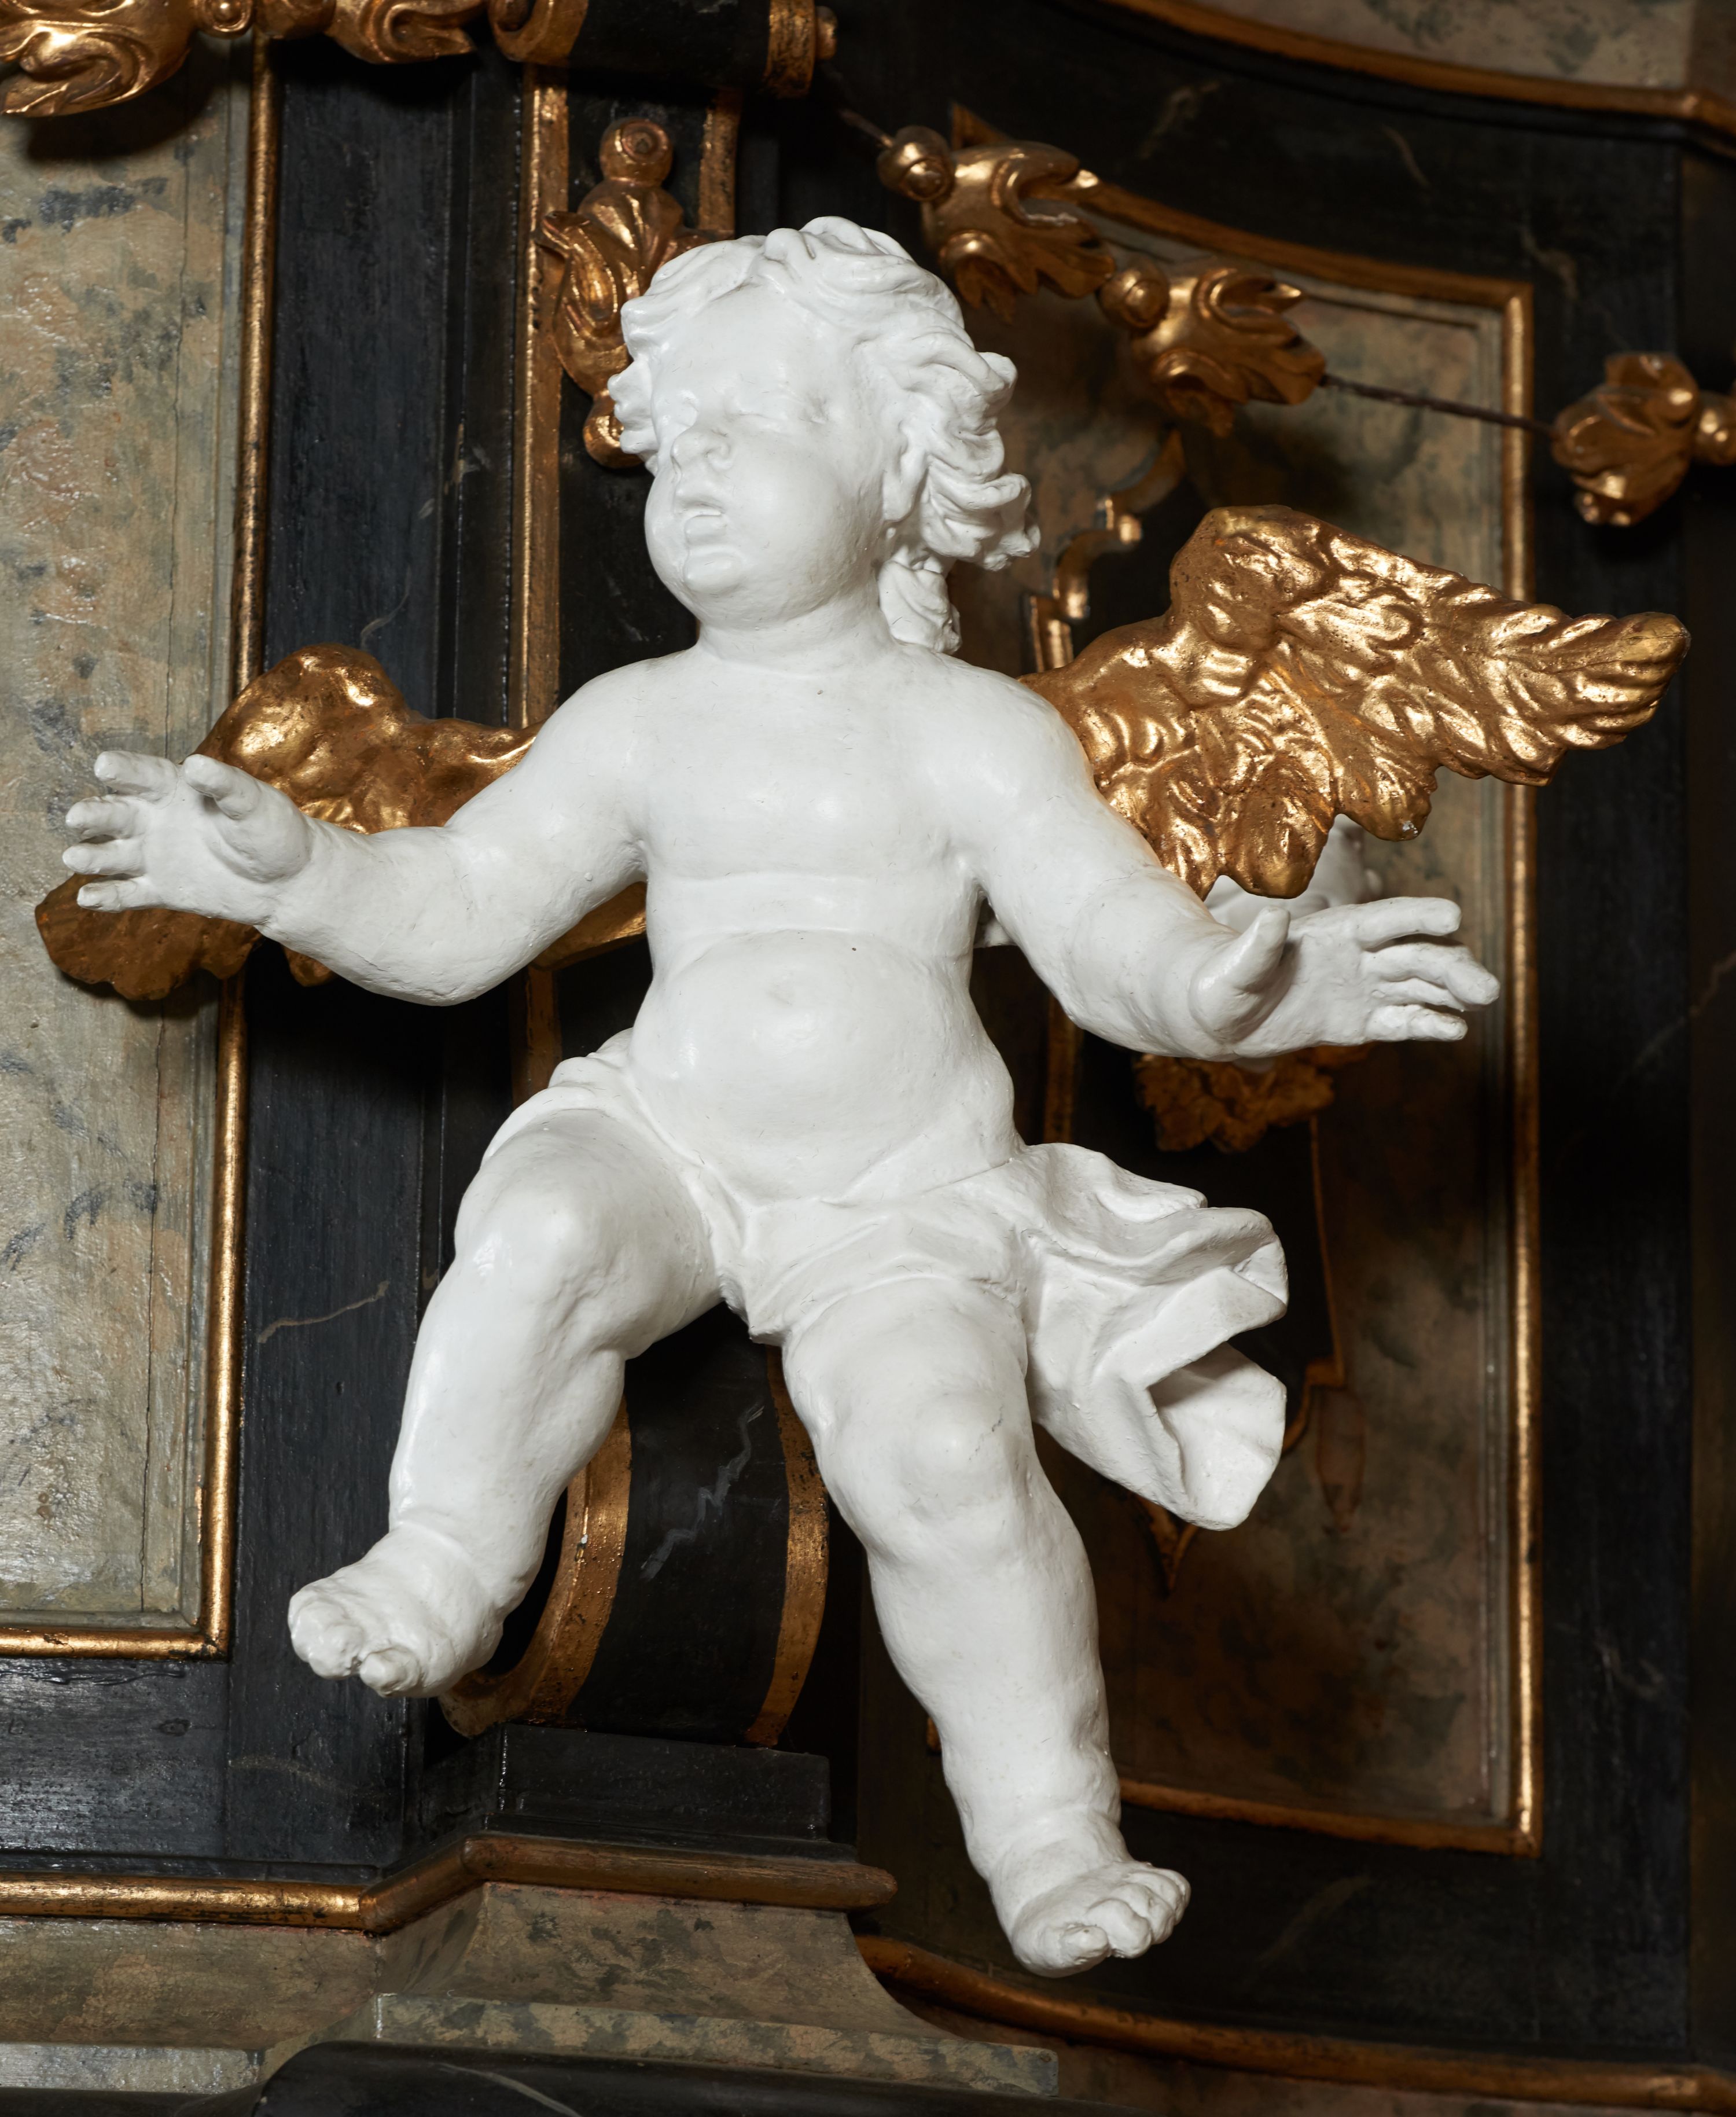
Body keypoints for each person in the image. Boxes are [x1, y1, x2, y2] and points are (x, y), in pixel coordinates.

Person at [61, 218, 1495, 1976]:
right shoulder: (639, 722)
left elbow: (1110, 940)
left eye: (765, 426)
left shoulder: (975, 732)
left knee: (948, 1460)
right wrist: (298, 877)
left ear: (899, 471)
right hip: (672, 1138)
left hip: (903, 1201)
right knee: (543, 1230)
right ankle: (446, 1553)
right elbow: (460, 913)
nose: (703, 470)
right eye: (684, 438)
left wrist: (1235, 987)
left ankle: (1048, 1830)